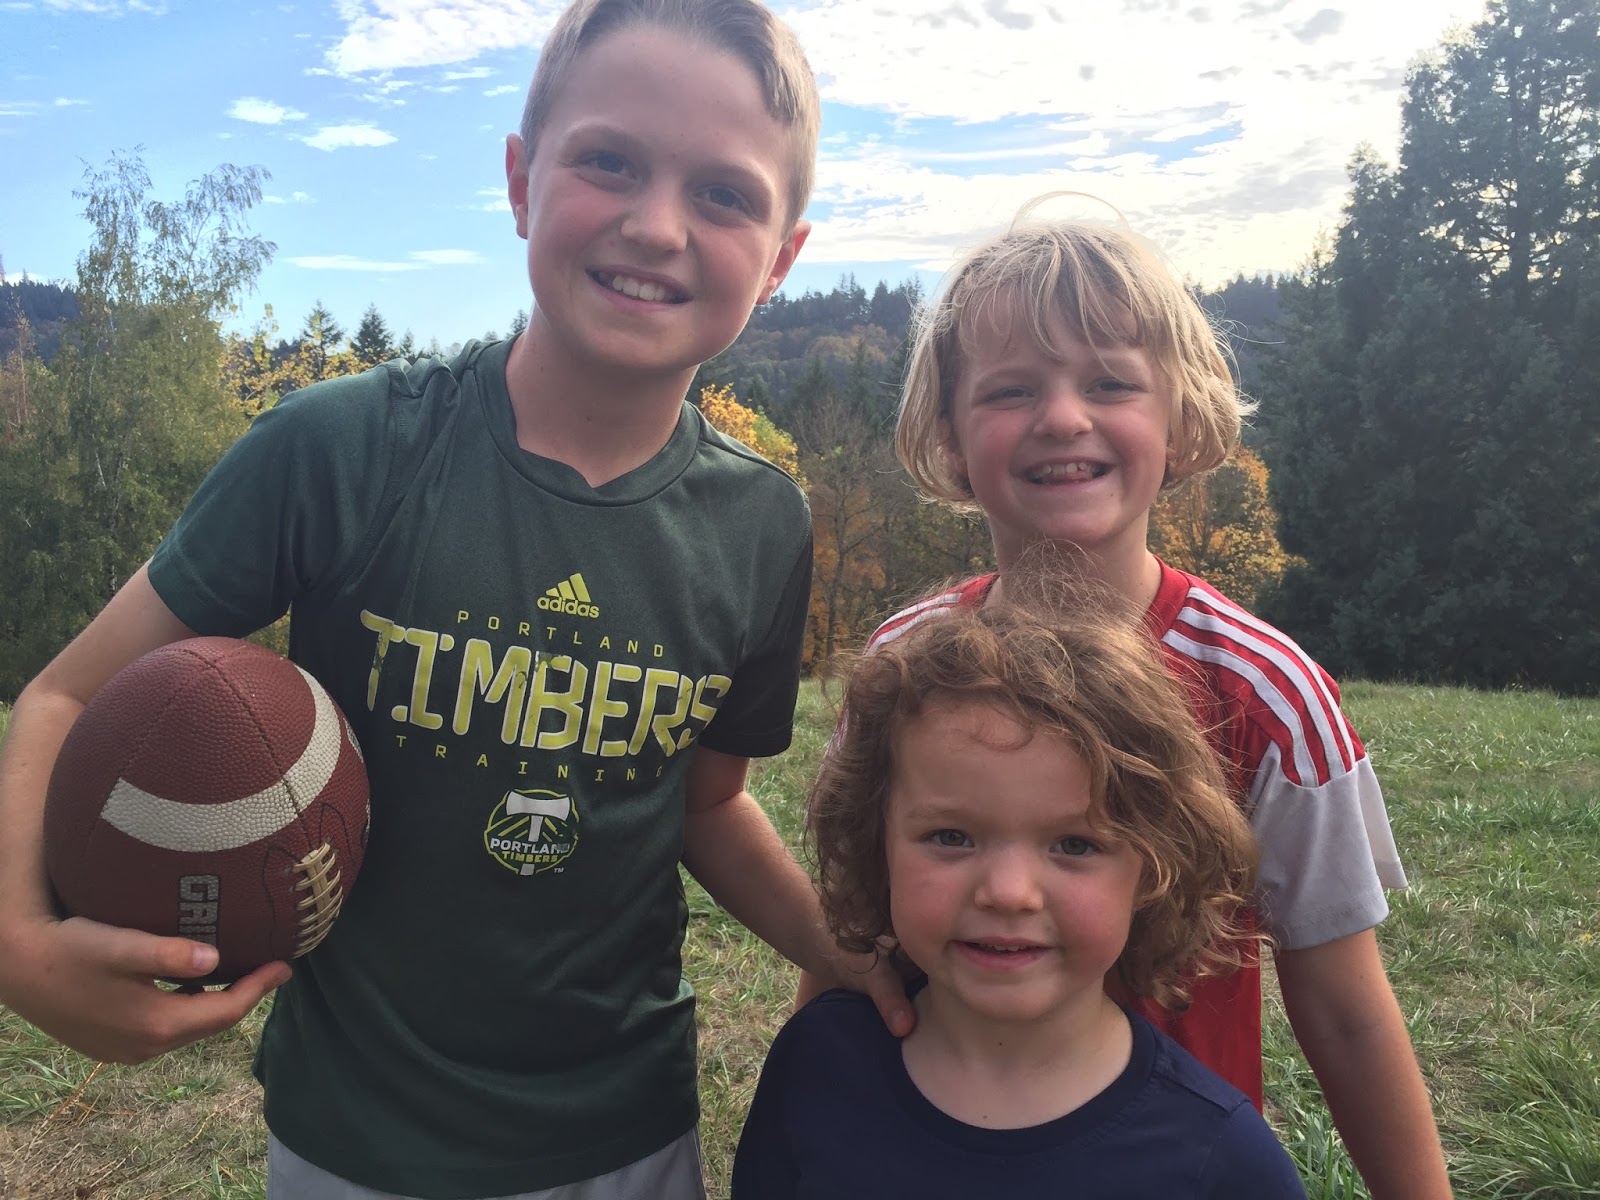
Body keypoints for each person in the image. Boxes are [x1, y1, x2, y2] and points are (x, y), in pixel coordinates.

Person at [0, 2, 910, 1197]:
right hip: (355, 1135)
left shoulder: (762, 524)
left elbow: (705, 805)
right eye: (609, 162)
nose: (655, 225)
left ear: (783, 257)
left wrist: (835, 951)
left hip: (627, 1131)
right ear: (522, 183)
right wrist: (18, 942)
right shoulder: (336, 450)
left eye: (724, 194)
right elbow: (64, 696)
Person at [798, 200, 1451, 1198]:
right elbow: (851, 926)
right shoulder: (901, 666)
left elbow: (1346, 1011)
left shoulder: (1270, 696)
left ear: (1181, 419)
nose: (1063, 418)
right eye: (1011, 389)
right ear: (949, 434)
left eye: (1110, 383)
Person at [734, 595, 1308, 1197]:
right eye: (950, 837)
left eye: (1075, 845)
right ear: (877, 846)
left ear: (1154, 871)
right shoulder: (816, 1063)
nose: (1008, 894)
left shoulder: (1223, 1161)